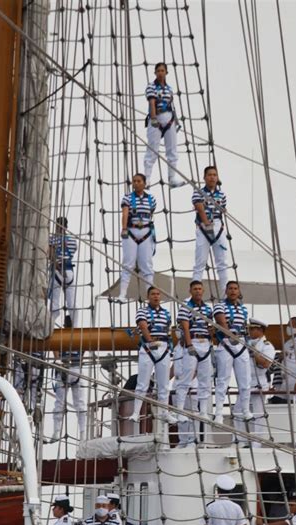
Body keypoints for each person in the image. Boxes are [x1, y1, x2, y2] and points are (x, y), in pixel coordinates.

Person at [129, 287, 176, 424]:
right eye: (153, 294)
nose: (156, 296)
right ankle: (136, 412)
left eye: (158, 294)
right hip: (148, 348)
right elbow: (143, 326)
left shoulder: (166, 313)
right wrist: (149, 340)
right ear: (148, 296)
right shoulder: (142, 311)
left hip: (163, 348)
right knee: (142, 383)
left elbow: (168, 331)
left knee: (164, 384)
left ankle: (164, 412)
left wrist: (170, 347)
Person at [174, 280, 214, 421]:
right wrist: (189, 345)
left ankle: (202, 411)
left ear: (203, 291)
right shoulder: (185, 307)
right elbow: (185, 327)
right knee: (186, 378)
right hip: (194, 342)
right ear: (190, 291)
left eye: (200, 289)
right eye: (195, 289)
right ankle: (179, 411)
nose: (198, 291)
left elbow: (210, 327)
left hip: (205, 344)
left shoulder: (208, 309)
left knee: (205, 379)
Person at [213, 281, 251, 424]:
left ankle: (246, 410)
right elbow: (222, 323)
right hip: (226, 344)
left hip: (241, 344)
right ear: (226, 291)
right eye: (230, 289)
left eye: (235, 289)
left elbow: (244, 326)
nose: (233, 291)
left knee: (245, 381)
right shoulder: (219, 306)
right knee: (223, 380)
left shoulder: (243, 309)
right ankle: (218, 413)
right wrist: (230, 336)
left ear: (239, 291)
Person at [117, 174, 157, 303]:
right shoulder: (127, 198)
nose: (136, 183)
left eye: (139, 181)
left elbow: (151, 214)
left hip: (146, 232)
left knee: (147, 265)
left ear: (144, 183)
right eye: (134, 181)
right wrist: (124, 228)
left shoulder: (151, 199)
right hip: (131, 232)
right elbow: (125, 213)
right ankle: (122, 294)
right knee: (128, 264)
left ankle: (150, 295)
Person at [143, 62, 183, 189]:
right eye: (158, 71)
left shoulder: (169, 89)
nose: (160, 73)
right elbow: (152, 102)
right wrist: (154, 118)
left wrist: (175, 121)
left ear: (166, 72)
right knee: (152, 149)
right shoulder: (151, 87)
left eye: (162, 70)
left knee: (172, 150)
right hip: (157, 119)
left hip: (169, 119)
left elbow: (171, 105)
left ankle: (172, 178)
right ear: (155, 73)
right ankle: (147, 179)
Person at [191, 165, 228, 298]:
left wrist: (215, 226)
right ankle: (194, 294)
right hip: (203, 227)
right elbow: (199, 208)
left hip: (218, 226)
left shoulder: (222, 195)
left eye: (214, 175)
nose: (212, 177)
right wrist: (206, 223)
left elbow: (222, 211)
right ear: (204, 177)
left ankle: (225, 295)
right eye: (210, 175)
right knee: (200, 262)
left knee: (222, 263)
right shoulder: (198, 192)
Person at [243, 319, 276, 446]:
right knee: (238, 411)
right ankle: (241, 441)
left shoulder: (267, 346)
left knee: (258, 413)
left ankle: (257, 443)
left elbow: (266, 364)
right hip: (245, 382)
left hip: (259, 381)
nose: (249, 331)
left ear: (260, 330)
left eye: (252, 329)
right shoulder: (246, 343)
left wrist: (254, 352)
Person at [49, 351, 87, 442]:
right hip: (76, 369)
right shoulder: (81, 336)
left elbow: (54, 348)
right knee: (80, 403)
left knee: (59, 403)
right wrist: (81, 357)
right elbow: (85, 346)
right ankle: (83, 433)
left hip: (63, 367)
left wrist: (57, 359)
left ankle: (57, 431)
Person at [48, 216, 78, 327]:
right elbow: (73, 251)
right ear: (66, 227)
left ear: (56, 226)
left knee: (54, 303)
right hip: (69, 272)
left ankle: (50, 325)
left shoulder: (51, 239)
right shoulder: (72, 241)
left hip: (56, 272)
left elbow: (50, 255)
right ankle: (75, 326)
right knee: (71, 303)